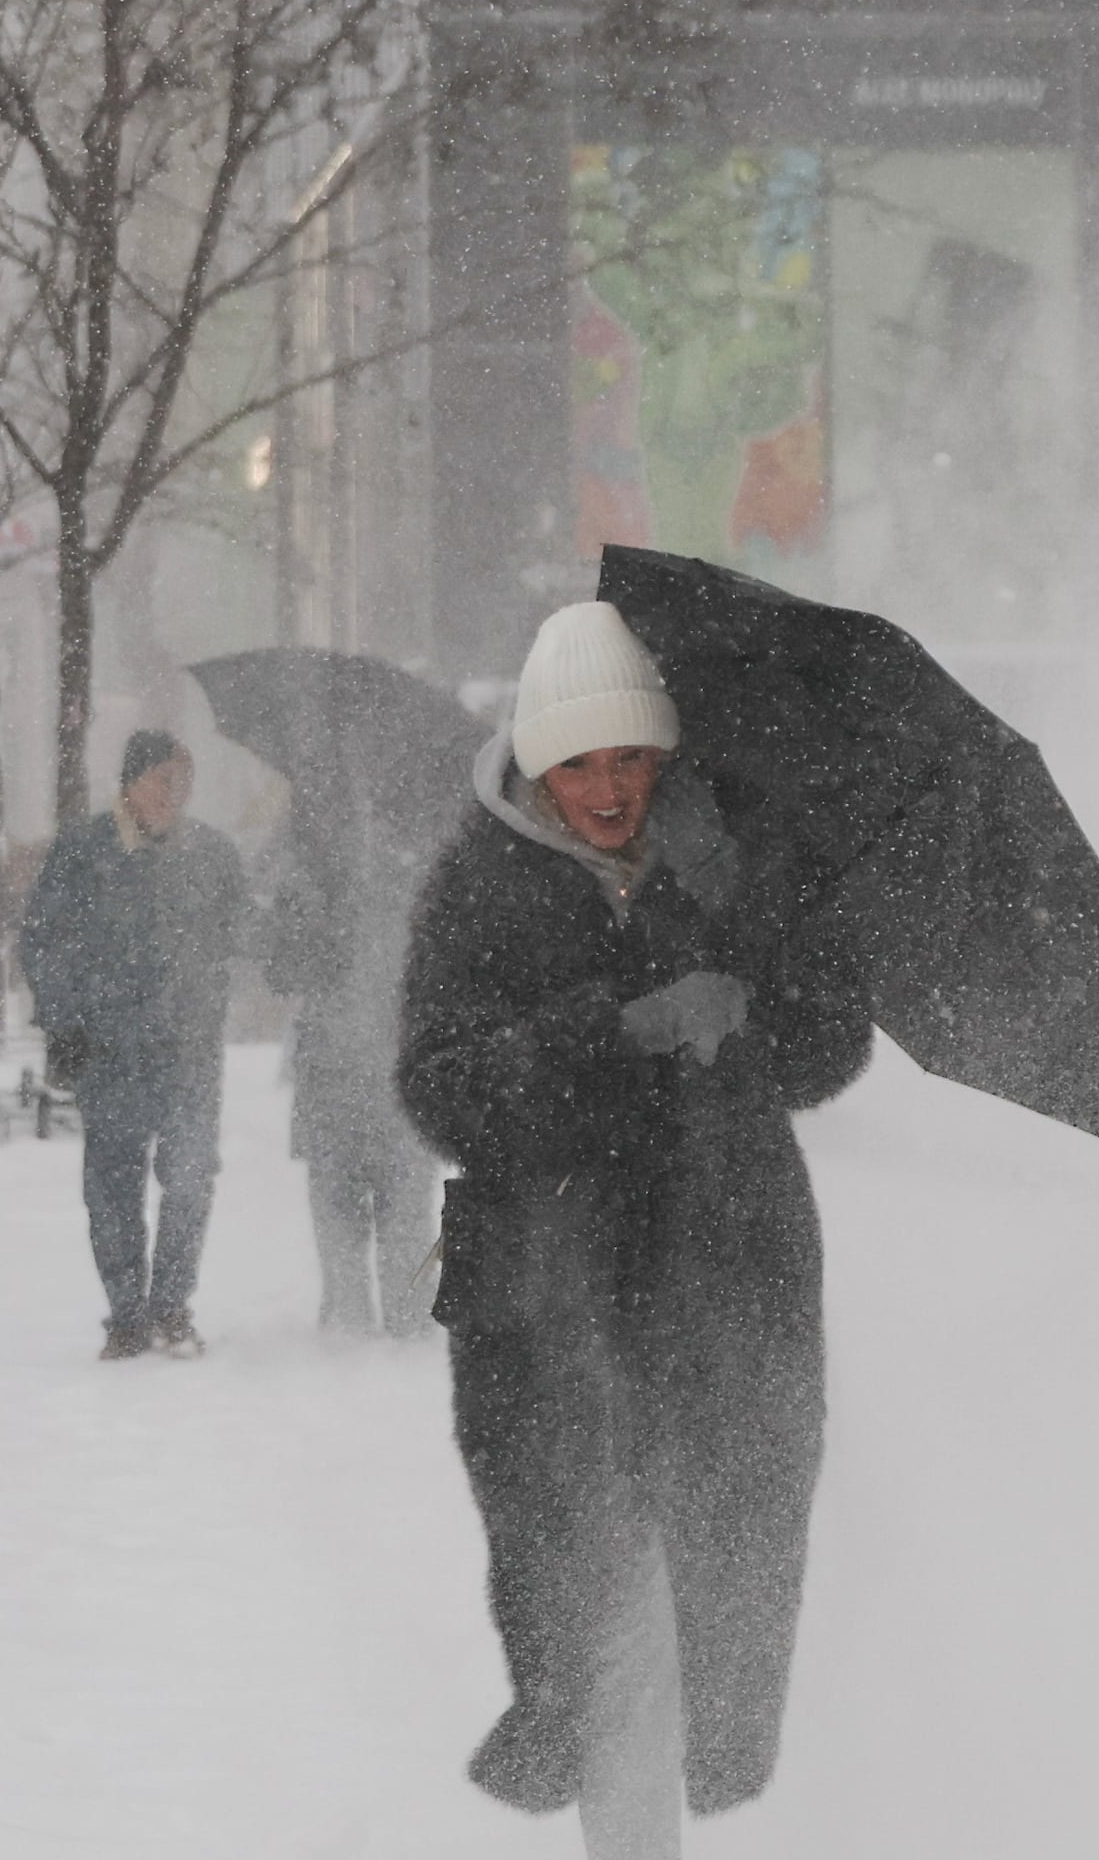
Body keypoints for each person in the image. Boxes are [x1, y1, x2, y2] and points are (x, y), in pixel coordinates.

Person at [396, 600, 872, 1829]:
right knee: (597, 1613)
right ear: (536, 763)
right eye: (579, 763)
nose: (608, 787)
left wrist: (753, 1008)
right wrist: (608, 1035)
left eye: (630, 758)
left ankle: (674, 1781)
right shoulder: (473, 882)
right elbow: (437, 1085)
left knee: (715, 1590)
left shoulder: (735, 861)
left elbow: (828, 1052)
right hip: (538, 1295)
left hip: (727, 1266)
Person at [20, 729, 248, 1360]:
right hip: (111, 1051)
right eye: (164, 779)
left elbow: (245, 934)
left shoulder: (211, 856)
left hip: (190, 1050)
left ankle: (171, 1307)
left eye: (185, 780)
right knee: (113, 1186)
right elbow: (42, 941)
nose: (176, 794)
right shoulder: (84, 853)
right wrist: (67, 1020)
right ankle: (126, 1313)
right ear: (131, 783)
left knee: (190, 1178)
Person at [266, 815, 441, 1337]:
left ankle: (396, 1325)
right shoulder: (309, 865)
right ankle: (357, 1329)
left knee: (400, 1206)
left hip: (394, 1061)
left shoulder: (426, 870)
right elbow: (282, 967)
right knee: (347, 1206)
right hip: (338, 1065)